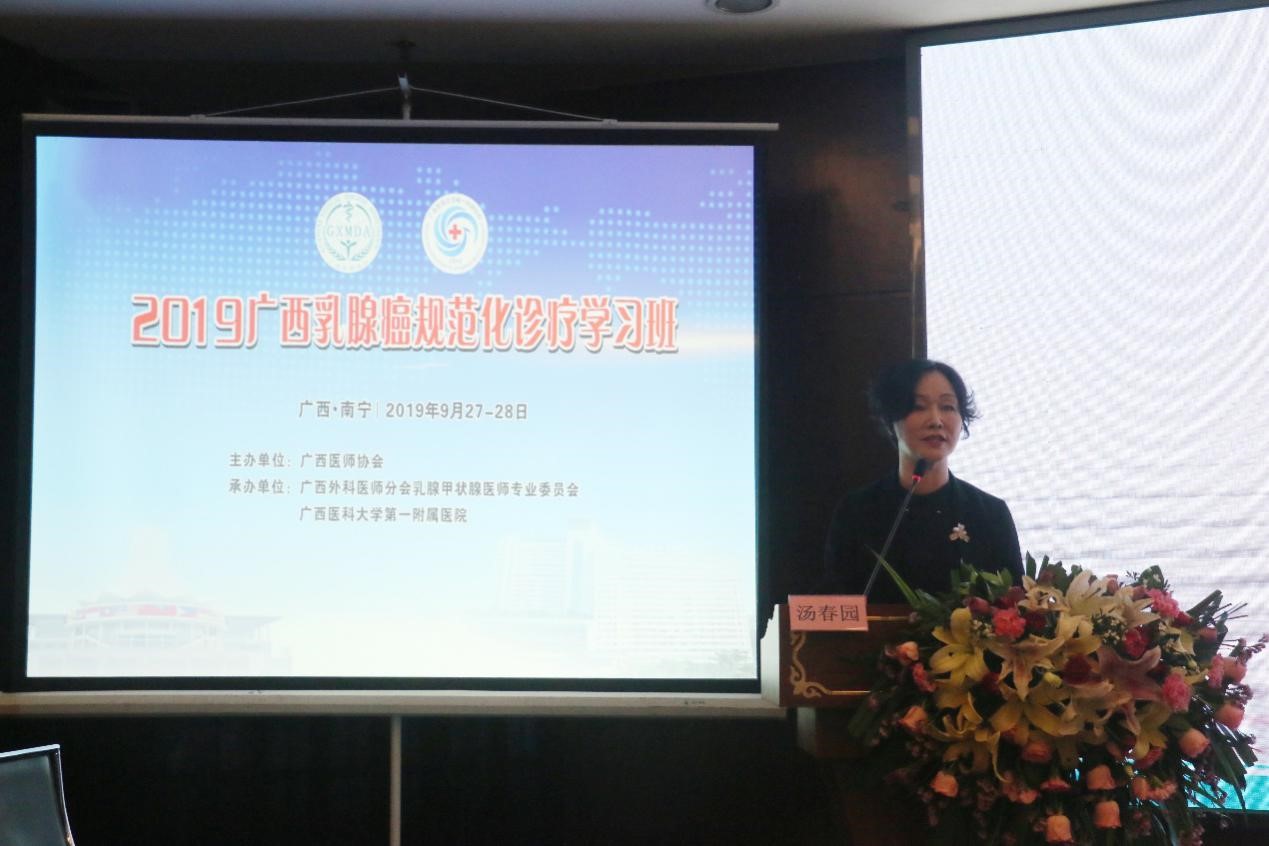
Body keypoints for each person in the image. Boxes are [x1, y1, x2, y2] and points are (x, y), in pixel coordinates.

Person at [823, 359, 1022, 603]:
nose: (936, 420)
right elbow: (834, 607)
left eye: (948, 407)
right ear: (891, 418)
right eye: (919, 407)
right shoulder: (857, 512)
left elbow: (1015, 608)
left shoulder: (990, 514)